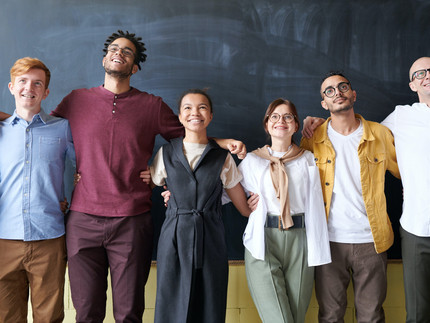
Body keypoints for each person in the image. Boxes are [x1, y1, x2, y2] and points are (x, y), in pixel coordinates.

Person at [50, 30, 245, 322]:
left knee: (129, 313)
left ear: (135, 66)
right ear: (105, 57)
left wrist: (224, 142)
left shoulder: (151, 105)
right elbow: (41, 130)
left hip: (132, 220)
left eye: (127, 52)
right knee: (86, 312)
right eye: (114, 49)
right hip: (82, 219)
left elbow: (189, 135)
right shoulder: (76, 100)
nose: (119, 53)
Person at [300, 72, 400, 322]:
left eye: (343, 86)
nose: (338, 92)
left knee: (371, 316)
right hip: (328, 240)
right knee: (331, 316)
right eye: (329, 91)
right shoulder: (312, 139)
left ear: (353, 94)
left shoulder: (380, 134)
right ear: (324, 103)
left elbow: (408, 173)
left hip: (372, 240)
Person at [146, 89, 251, 323]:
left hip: (211, 235)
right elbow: (146, 186)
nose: (195, 113)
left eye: (202, 107)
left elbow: (243, 207)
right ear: (180, 117)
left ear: (211, 116)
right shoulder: (166, 153)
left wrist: (259, 204)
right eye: (188, 108)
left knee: (210, 303)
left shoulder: (222, 157)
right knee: (171, 301)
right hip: (173, 236)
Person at [239, 98, 331, 323]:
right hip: (263, 239)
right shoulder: (252, 160)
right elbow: (223, 189)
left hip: (300, 240)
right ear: (267, 124)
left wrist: (318, 121)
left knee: (296, 316)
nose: (281, 121)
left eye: (288, 116)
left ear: (296, 125)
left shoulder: (308, 158)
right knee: (279, 319)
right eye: (275, 117)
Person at [0, 57, 75, 322]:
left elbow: (92, 165)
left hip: (49, 238)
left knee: (50, 317)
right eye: (22, 81)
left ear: (46, 92)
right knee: (7, 316)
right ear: (11, 86)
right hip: (3, 240)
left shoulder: (63, 129)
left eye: (37, 83)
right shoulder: (0, 132)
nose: (28, 88)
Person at [381, 57, 430, 323]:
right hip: (417, 228)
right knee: (419, 314)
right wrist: (318, 123)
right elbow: (362, 136)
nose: (427, 76)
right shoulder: (401, 116)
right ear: (413, 85)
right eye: (420, 73)